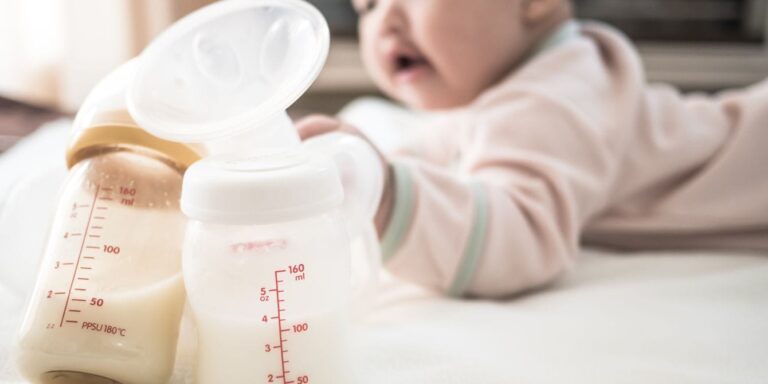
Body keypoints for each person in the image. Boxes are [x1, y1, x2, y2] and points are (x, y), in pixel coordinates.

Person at [296, 0, 768, 298]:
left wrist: (389, 196)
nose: (385, 21)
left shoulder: (554, 94)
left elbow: (520, 234)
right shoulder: (506, 93)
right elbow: (442, 148)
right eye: (368, 6)